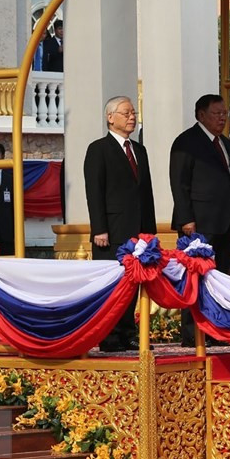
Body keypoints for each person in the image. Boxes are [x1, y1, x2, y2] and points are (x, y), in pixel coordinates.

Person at [84, 96, 157, 352]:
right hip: (111, 232)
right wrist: (99, 228)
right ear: (110, 117)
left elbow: (146, 193)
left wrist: (149, 232)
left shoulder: (140, 150)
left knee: (132, 284)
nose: (132, 117)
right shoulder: (98, 149)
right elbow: (94, 191)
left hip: (137, 234)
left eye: (133, 112)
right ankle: (110, 336)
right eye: (126, 113)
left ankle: (128, 333)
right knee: (113, 286)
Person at [170, 94, 230, 346]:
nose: (222, 118)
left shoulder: (224, 142)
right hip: (198, 223)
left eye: (224, 113)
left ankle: (216, 329)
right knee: (194, 278)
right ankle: (192, 333)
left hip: (224, 223)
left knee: (219, 278)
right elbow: (179, 184)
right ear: (201, 115)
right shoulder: (186, 142)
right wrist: (186, 219)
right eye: (216, 114)